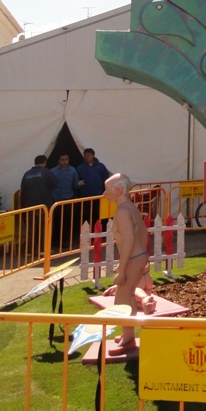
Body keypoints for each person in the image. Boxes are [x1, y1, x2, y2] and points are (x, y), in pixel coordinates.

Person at [103, 173, 151, 351]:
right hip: (138, 257)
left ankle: (128, 338)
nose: (104, 194)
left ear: (118, 190)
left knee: (121, 299)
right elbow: (144, 233)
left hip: (133, 259)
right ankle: (127, 334)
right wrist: (145, 256)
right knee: (128, 295)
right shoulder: (131, 208)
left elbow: (129, 240)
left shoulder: (122, 212)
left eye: (107, 190)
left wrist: (122, 270)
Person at [76, 148, 110, 227]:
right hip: (85, 197)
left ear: (93, 155)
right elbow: (76, 181)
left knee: (98, 215)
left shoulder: (101, 167)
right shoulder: (80, 168)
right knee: (86, 217)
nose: (87, 157)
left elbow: (106, 179)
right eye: (85, 155)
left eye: (89, 155)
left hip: (99, 196)